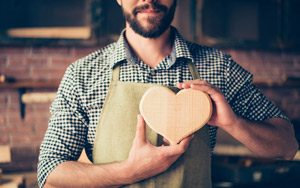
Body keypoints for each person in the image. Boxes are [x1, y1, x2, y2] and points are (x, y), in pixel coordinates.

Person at [37, 0, 298, 187]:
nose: (149, 0)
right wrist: (129, 171)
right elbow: (50, 172)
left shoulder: (218, 68)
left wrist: (233, 122)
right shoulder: (83, 74)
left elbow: (287, 146)